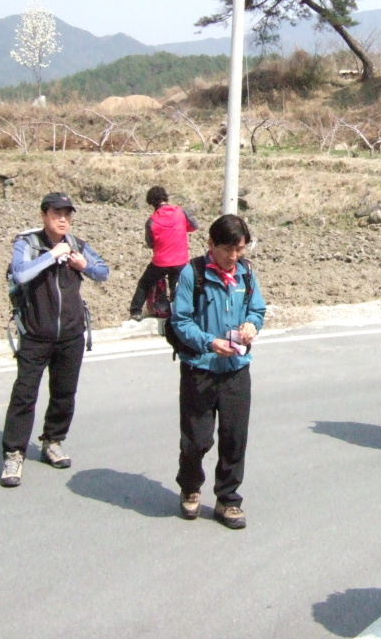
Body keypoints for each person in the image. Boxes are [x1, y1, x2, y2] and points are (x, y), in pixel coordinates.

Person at [0, 193, 109, 488]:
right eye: (57, 213)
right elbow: (21, 274)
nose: (63, 219)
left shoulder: (78, 245)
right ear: (43, 215)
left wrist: (82, 265)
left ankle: (53, 440)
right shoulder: (28, 244)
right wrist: (51, 256)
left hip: (71, 333)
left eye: (67, 214)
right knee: (24, 394)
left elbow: (103, 272)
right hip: (35, 334)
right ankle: (14, 452)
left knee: (64, 392)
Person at [170, 214, 266, 530]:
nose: (234, 257)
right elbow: (180, 321)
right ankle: (190, 485)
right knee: (196, 439)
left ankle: (228, 499)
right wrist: (209, 343)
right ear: (211, 244)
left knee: (234, 437)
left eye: (239, 249)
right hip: (200, 369)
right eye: (228, 250)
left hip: (237, 369)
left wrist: (252, 324)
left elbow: (257, 309)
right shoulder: (192, 274)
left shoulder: (246, 274)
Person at [129, 186, 199, 321]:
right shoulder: (181, 212)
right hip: (180, 261)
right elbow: (194, 226)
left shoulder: (151, 221)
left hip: (161, 261)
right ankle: (178, 314)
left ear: (151, 203)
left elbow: (150, 243)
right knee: (177, 289)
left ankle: (135, 312)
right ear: (166, 197)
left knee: (144, 284)